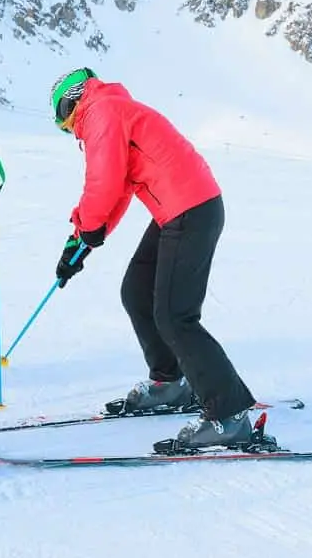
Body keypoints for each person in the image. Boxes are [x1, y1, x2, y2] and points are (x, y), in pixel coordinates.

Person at [49, 67, 258, 450]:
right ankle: (169, 383)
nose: (67, 129)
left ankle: (228, 416)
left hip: (189, 210)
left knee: (175, 316)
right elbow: (120, 189)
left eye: (63, 120)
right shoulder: (111, 110)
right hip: (179, 209)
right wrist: (82, 241)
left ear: (71, 101)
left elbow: (102, 180)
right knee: (137, 292)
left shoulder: (101, 113)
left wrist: (87, 228)